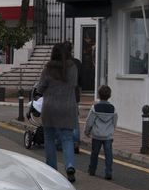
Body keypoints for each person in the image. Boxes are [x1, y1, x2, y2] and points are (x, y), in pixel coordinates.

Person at [37, 42, 79, 182]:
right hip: (68, 106)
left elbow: (41, 87)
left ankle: (52, 169)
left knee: (49, 138)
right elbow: (74, 85)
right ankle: (70, 167)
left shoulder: (48, 68)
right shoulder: (73, 68)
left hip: (50, 107)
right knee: (67, 138)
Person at [85, 85, 118, 180]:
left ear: (98, 95)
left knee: (94, 152)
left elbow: (89, 121)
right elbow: (114, 122)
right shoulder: (113, 109)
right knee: (108, 153)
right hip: (108, 135)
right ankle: (108, 171)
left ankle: (92, 169)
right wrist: (111, 130)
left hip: (97, 134)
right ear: (110, 95)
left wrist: (87, 132)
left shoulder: (95, 108)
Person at [55, 41, 82, 153]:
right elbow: (81, 80)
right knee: (74, 119)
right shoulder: (77, 63)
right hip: (74, 95)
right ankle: (75, 142)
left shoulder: (57, 64)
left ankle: (60, 142)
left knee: (58, 119)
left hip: (60, 96)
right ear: (71, 50)